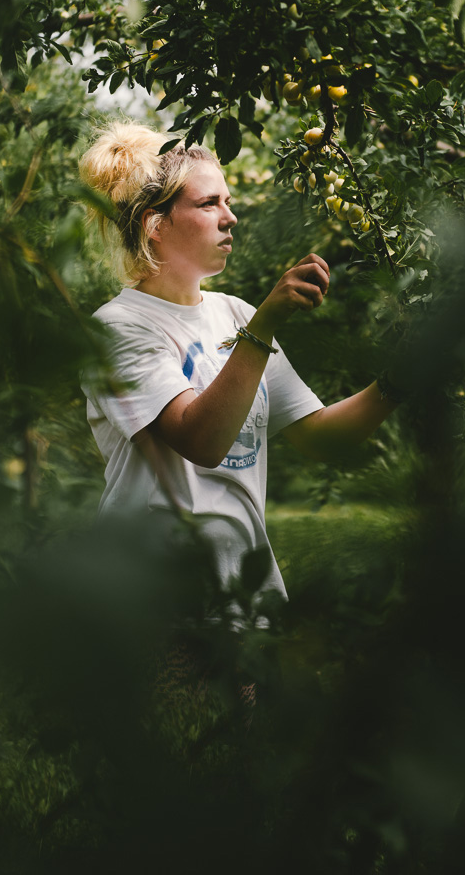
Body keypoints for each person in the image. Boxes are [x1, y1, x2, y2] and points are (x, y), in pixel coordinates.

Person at [79, 120, 396, 607]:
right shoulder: (119, 326)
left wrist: (400, 381)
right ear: (155, 224)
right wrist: (266, 323)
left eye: (227, 201)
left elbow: (319, 435)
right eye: (209, 204)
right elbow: (200, 440)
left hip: (243, 598)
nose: (230, 218)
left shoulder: (236, 315)